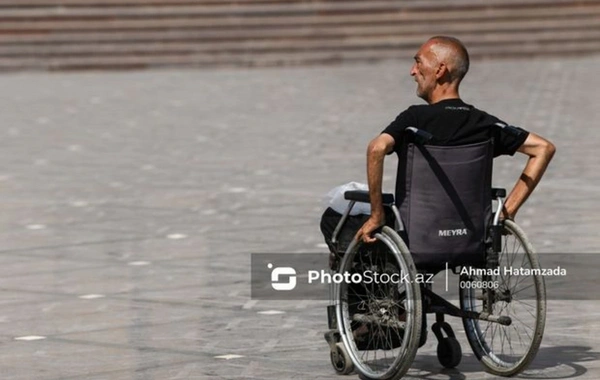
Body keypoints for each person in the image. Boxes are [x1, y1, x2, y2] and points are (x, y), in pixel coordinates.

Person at [355, 36, 556, 244]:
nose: (412, 71)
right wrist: (506, 211)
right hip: (470, 241)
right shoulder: (484, 123)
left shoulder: (413, 120)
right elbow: (543, 148)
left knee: (336, 217)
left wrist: (376, 215)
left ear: (440, 70)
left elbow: (376, 149)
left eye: (418, 62)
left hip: (417, 238)